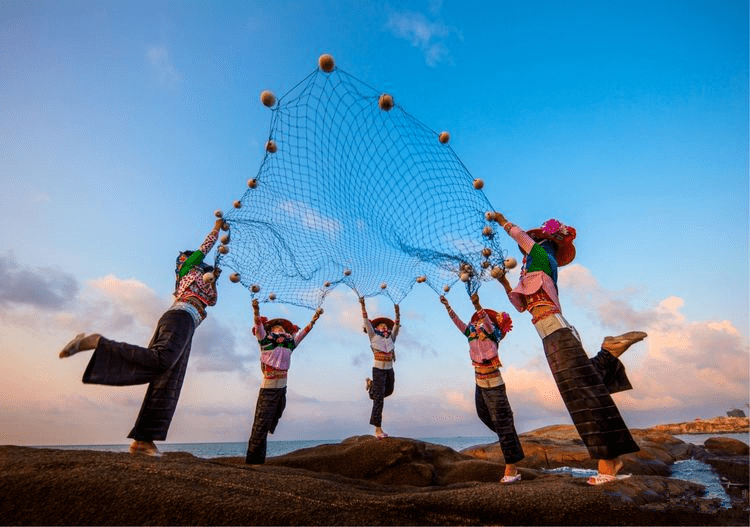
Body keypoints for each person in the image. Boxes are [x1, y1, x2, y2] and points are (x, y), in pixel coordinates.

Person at [493, 213, 646, 485]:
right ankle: (608, 353)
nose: (524, 254)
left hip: (557, 332)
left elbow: (521, 237)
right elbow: (520, 307)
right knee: (582, 384)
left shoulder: (540, 256)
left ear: (542, 242)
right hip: (551, 334)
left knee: (583, 393)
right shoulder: (533, 274)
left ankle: (608, 466)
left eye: (532, 245)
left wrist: (503, 220)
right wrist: (504, 282)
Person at [58, 218, 225, 457]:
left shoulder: (203, 282)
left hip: (187, 323)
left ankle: (143, 440)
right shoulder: (187, 269)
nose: (201, 264)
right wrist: (216, 230)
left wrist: (215, 277)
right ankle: (97, 342)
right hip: (179, 317)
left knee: (167, 378)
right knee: (162, 362)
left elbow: (213, 300)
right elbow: (204, 249)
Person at [439, 291, 525, 483]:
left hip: (494, 384)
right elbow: (458, 323)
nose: (477, 323)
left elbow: (486, 320)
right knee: (482, 414)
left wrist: (478, 306)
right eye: (476, 321)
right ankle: (508, 437)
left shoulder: (493, 333)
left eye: (480, 321)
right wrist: (447, 306)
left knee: (503, 424)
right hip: (479, 382)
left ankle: (512, 471)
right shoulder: (470, 333)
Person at [245, 298, 323, 464]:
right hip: (268, 389)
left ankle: (264, 438)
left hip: (282, 388)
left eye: (282, 328)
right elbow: (258, 326)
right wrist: (256, 310)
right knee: (260, 426)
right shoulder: (265, 342)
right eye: (277, 328)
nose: (280, 330)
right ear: (271, 330)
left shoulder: (289, 344)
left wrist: (314, 319)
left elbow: (303, 334)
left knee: (277, 413)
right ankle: (253, 462)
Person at [359, 296, 400, 439]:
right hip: (378, 370)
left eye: (385, 325)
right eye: (381, 325)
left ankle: (371, 386)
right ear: (376, 328)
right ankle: (378, 429)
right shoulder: (373, 336)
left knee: (389, 391)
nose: (384, 327)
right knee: (379, 399)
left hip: (389, 369)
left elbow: (396, 326)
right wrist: (363, 306)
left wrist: (397, 313)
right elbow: (366, 321)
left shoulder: (390, 338)